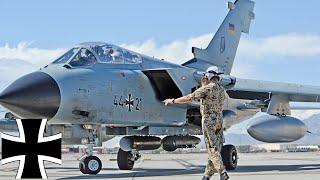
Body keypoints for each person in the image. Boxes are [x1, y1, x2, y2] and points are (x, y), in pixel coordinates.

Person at [164, 66, 229, 180]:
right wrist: (204, 87)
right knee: (215, 148)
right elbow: (212, 98)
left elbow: (190, 98)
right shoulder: (221, 89)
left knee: (211, 147)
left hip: (208, 119)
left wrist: (172, 101)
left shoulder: (206, 89)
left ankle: (222, 172)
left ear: (209, 75)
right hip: (219, 119)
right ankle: (207, 174)